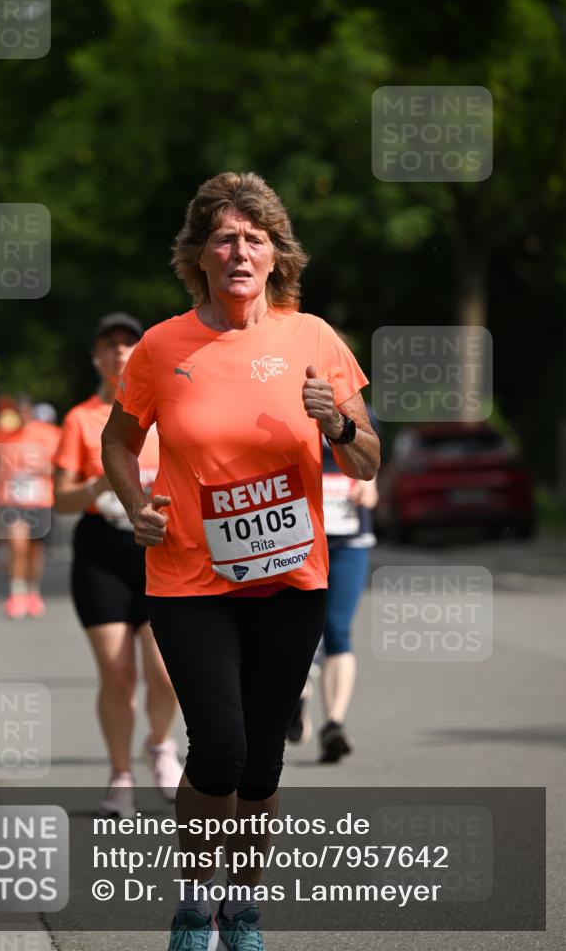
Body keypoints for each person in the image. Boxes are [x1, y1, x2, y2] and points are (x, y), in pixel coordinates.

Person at [101, 172, 380, 951]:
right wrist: (135, 504)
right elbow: (118, 441)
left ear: (275, 255)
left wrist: (338, 428)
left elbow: (365, 464)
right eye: (223, 238)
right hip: (189, 580)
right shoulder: (161, 347)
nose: (238, 251)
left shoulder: (313, 339)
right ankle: (194, 904)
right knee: (217, 745)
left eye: (253, 238)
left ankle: (243, 907)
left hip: (291, 580)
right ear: (197, 255)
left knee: (259, 762)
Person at [53, 313, 183, 818]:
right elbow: (59, 500)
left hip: (161, 547)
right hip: (102, 551)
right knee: (117, 674)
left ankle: (159, 745)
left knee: (166, 673)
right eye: (110, 346)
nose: (121, 353)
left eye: (130, 344)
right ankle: (120, 773)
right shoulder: (80, 419)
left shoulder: (166, 409)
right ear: (97, 358)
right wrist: (94, 486)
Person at [287, 413, 379, 761]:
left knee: (338, 629)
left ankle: (334, 726)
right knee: (297, 629)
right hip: (298, 542)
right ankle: (297, 694)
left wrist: (370, 485)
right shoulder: (282, 408)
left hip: (348, 541)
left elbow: (371, 462)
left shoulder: (361, 414)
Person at [0, 396, 61, 619]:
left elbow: (61, 464)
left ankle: (33, 592)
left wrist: (40, 467)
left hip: (40, 499)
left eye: (24, 412)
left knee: (35, 550)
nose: (21, 417)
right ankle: (16, 593)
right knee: (17, 546)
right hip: (13, 500)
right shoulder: (6, 437)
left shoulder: (47, 434)